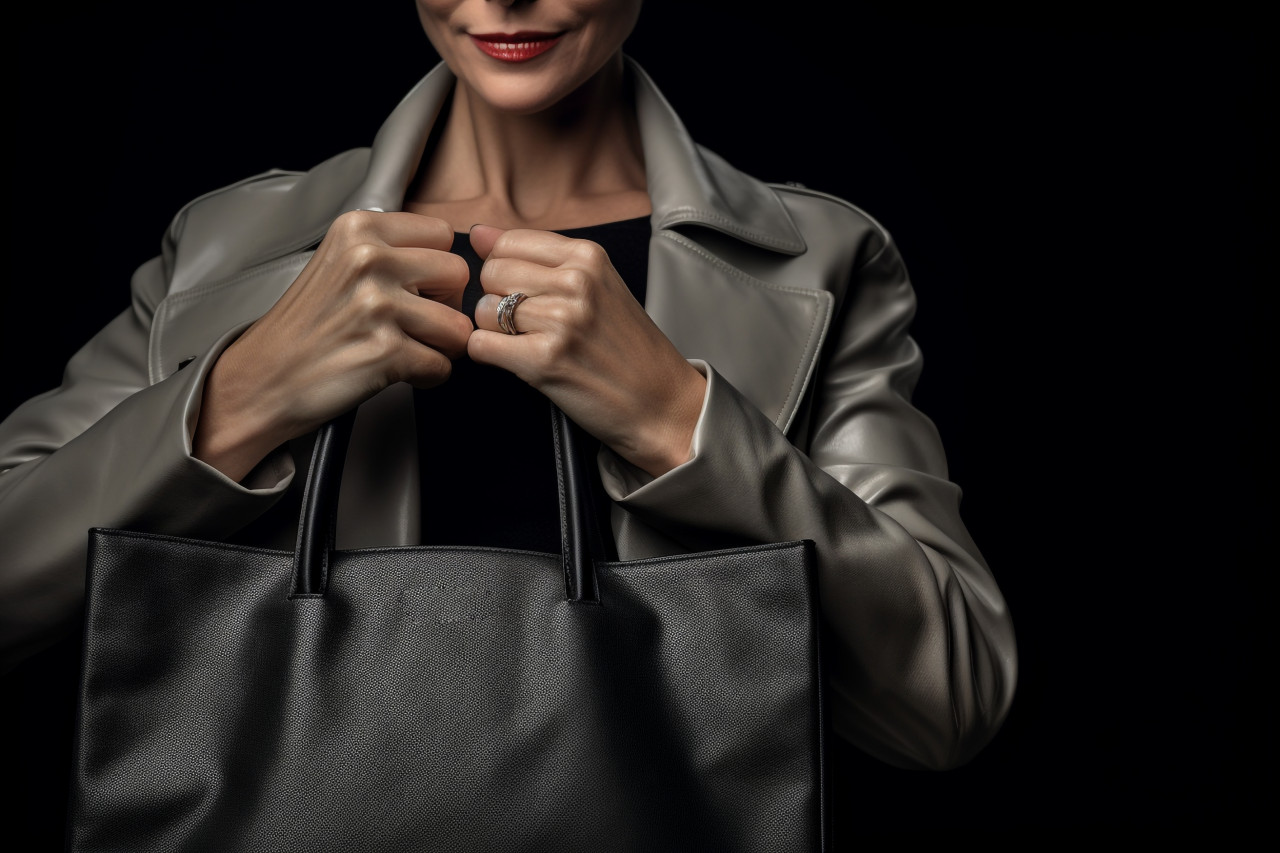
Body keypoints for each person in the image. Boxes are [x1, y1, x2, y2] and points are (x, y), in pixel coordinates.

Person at [0, 0, 1015, 794]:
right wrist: (235, 399)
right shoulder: (229, 245)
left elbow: (945, 702)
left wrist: (680, 422)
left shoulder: (822, 259)